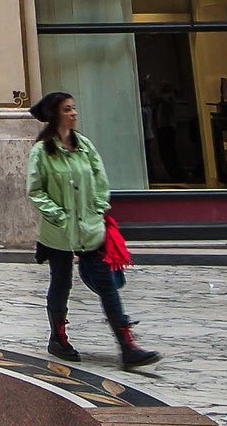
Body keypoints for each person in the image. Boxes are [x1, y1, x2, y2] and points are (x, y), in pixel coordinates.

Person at [26, 91, 158, 370]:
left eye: (74, 108)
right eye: (67, 109)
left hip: (90, 229)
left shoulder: (85, 145)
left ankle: (127, 346)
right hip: (58, 231)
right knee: (61, 282)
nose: (74, 113)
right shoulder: (42, 151)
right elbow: (36, 191)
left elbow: (100, 180)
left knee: (108, 285)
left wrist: (98, 209)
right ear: (54, 115)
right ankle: (58, 338)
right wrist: (59, 216)